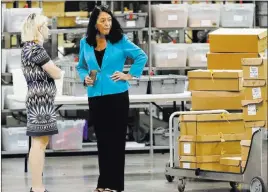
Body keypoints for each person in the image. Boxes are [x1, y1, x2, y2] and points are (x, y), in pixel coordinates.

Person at [76, 5, 148, 192]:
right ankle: (103, 184)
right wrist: (84, 77)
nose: (107, 23)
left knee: (115, 141)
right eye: (103, 20)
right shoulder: (86, 42)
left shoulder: (120, 40)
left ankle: (114, 186)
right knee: (103, 141)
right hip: (96, 97)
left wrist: (129, 75)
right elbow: (81, 66)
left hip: (117, 96)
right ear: (95, 24)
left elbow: (141, 56)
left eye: (109, 20)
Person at [21, 13, 62, 192]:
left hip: (39, 99)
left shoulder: (28, 48)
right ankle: (37, 188)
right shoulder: (36, 49)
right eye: (45, 26)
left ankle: (38, 187)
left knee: (40, 142)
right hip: (40, 102)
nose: (48, 30)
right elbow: (56, 73)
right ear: (39, 28)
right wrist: (58, 70)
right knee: (39, 144)